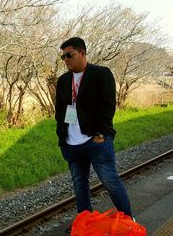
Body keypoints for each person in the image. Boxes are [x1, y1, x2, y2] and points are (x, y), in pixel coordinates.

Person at [55, 37, 133, 225]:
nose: (66, 59)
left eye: (69, 55)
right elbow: (60, 111)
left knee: (110, 181)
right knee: (79, 182)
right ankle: (85, 222)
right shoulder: (63, 80)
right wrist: (62, 139)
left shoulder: (100, 74)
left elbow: (108, 107)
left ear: (82, 53)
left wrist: (100, 135)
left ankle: (128, 221)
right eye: (63, 56)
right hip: (71, 143)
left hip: (95, 141)